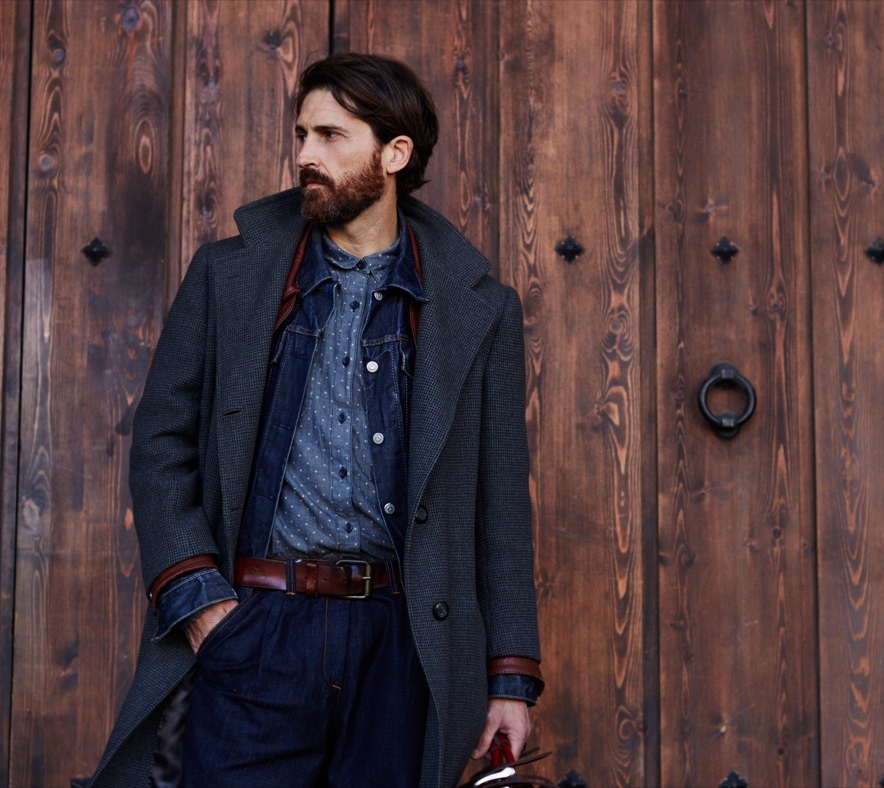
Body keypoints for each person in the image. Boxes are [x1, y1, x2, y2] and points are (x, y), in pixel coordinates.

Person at [87, 53, 542, 787]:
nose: (305, 154)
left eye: (331, 136)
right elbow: (161, 441)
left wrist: (509, 679)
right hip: (258, 629)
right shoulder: (228, 275)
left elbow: (502, 506)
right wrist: (201, 603)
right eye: (301, 134)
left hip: (402, 644)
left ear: (394, 154)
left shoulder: (479, 307)